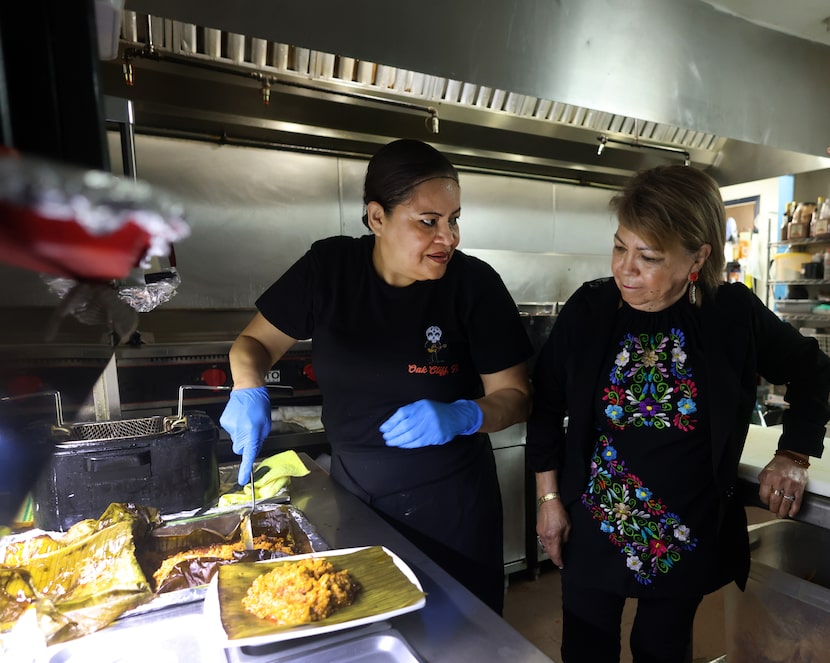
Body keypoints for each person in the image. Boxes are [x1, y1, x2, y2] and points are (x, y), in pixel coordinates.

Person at [526, 164, 830, 663]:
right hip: (593, 520)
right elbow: (545, 405)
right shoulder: (591, 308)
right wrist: (549, 498)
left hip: (685, 529)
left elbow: (814, 372)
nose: (625, 269)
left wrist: (793, 453)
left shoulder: (732, 313)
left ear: (698, 257)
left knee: (662, 650)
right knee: (585, 647)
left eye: (648, 257)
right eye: (620, 247)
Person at [219, 138, 534, 614]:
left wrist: (465, 414)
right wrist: (248, 386)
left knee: (462, 632)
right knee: (364, 621)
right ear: (377, 217)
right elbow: (253, 344)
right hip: (353, 495)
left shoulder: (474, 285)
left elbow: (515, 396)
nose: (449, 237)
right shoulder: (330, 269)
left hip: (451, 503)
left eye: (453, 220)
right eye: (428, 221)